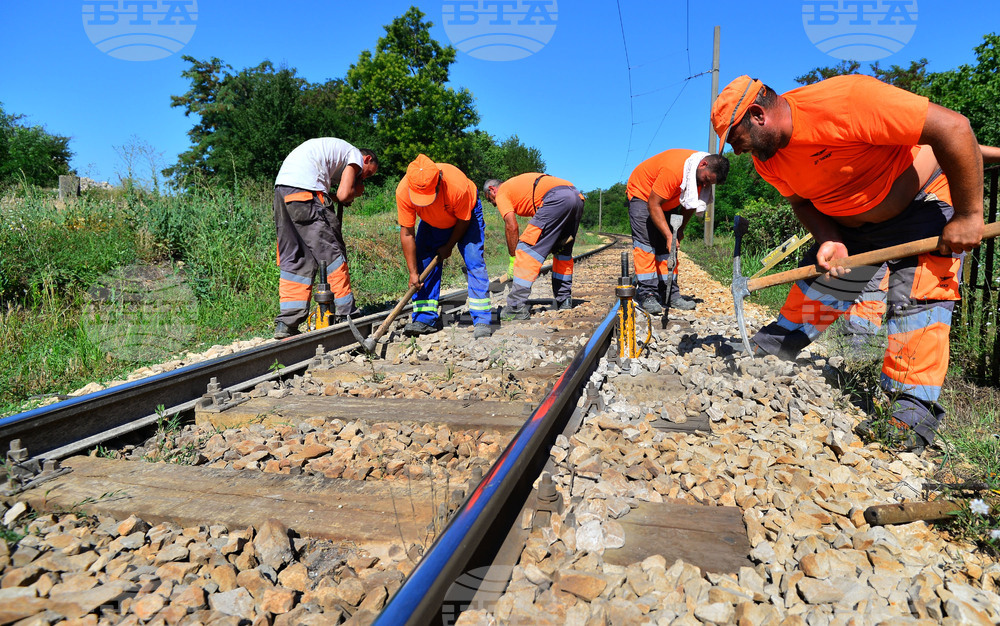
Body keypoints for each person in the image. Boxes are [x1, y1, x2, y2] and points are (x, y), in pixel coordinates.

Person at [711, 74, 985, 452]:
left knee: (918, 302)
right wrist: (830, 239)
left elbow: (953, 127)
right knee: (824, 287)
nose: (738, 152)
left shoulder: (846, 101)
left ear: (758, 115)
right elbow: (801, 201)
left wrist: (970, 215)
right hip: (848, 224)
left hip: (917, 204)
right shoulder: (768, 159)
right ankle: (774, 347)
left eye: (735, 139)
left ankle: (909, 414)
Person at [272, 138, 378, 339]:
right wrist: (349, 195)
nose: (365, 177)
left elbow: (336, 193)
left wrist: (338, 197)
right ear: (367, 158)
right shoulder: (354, 154)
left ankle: (287, 322)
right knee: (332, 254)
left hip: (282, 191)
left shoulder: (330, 155)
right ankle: (347, 313)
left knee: (295, 259)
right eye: (368, 172)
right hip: (306, 192)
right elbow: (344, 193)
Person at [396, 154, 493, 339]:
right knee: (423, 262)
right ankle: (425, 319)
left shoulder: (457, 186)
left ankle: (482, 320)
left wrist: (448, 246)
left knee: (474, 262)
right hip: (432, 221)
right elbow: (407, 233)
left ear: (439, 181)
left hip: (466, 217)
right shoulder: (403, 190)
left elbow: (463, 222)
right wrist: (412, 272)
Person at [626, 149, 730, 314]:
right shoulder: (674, 170)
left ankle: (670, 294)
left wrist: (678, 231)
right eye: (706, 180)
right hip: (644, 194)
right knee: (646, 245)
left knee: (667, 248)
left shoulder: (699, 175)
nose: (706, 185)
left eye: (711, 183)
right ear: (703, 164)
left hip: (667, 200)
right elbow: (653, 204)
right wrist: (669, 235)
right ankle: (647, 294)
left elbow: (690, 204)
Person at [482, 173, 585, 320]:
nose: (493, 203)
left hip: (555, 199)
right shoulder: (518, 187)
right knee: (562, 252)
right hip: (576, 197)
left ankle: (516, 307)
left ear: (492, 189)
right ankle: (564, 300)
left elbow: (511, 226)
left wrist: (513, 259)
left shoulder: (502, 191)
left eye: (489, 199)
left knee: (526, 251)